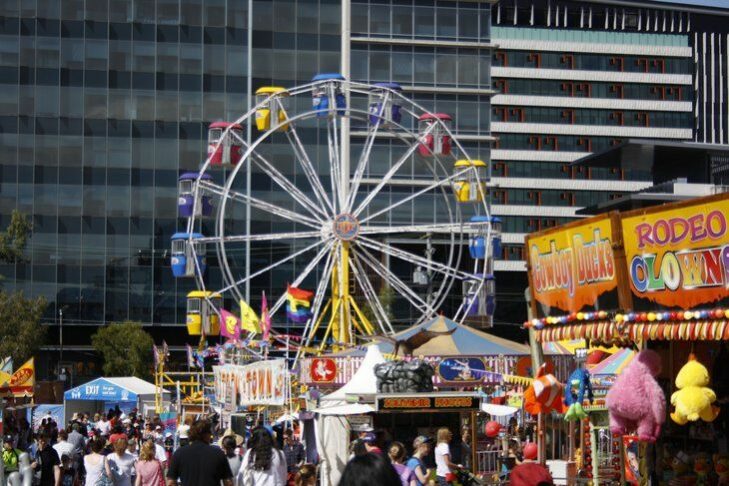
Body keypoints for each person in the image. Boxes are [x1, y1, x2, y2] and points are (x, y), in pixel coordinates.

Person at [166, 419, 233, 486]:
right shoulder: (218, 454)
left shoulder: (179, 453)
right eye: (210, 432)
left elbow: (171, 482)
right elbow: (228, 482)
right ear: (207, 434)